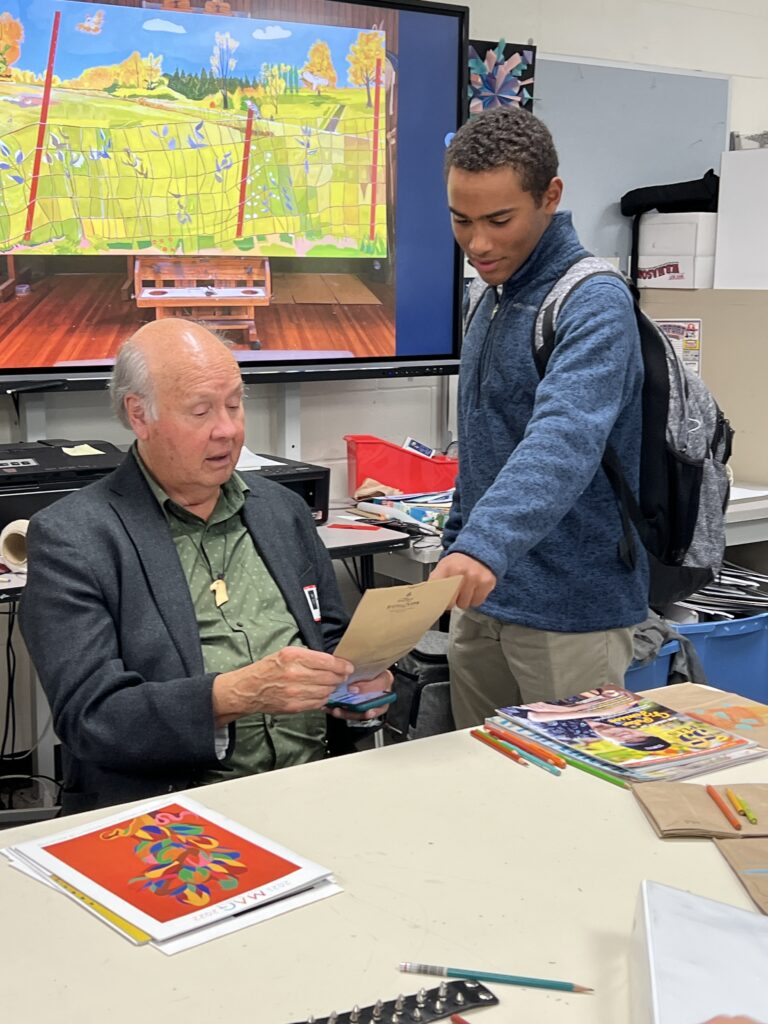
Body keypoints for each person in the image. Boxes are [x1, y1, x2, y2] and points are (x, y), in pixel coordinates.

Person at [20, 319, 390, 813]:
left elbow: (327, 638)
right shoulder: (75, 537)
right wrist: (235, 694)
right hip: (179, 811)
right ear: (139, 416)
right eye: (201, 411)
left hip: (320, 785)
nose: (228, 429)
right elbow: (93, 717)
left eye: (235, 405)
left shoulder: (281, 510)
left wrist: (357, 678)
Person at [430, 106, 649, 728]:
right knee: (482, 785)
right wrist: (459, 545)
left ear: (550, 196)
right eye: (461, 220)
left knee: (574, 802)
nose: (478, 244)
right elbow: (485, 447)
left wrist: (482, 546)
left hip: (571, 614)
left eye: (500, 220)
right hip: (484, 596)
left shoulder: (593, 302)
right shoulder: (494, 299)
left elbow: (564, 438)